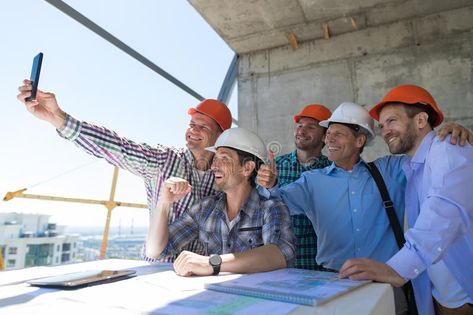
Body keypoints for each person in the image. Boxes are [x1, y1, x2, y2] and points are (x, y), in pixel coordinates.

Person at [17, 79, 232, 261]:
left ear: (221, 136)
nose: (193, 130)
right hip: (161, 269)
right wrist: (59, 118)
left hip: (205, 271)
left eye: (203, 127)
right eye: (192, 124)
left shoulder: (227, 175)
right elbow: (119, 148)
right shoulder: (164, 160)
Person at [339, 85, 473, 315]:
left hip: (464, 296)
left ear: (421, 120)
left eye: (392, 121)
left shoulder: (448, 149)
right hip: (441, 296)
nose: (385, 131)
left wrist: (397, 269)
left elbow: (443, 210)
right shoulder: (409, 166)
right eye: (382, 126)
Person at [145, 127, 296, 276]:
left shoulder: (271, 208)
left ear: (247, 168)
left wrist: (212, 263)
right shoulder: (204, 209)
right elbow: (155, 251)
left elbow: (281, 253)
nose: (214, 166)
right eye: (215, 158)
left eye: (224, 158)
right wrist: (164, 203)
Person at [257, 104, 332, 270]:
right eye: (299, 126)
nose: (302, 131)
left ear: (325, 136)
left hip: (320, 264)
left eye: (311, 127)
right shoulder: (274, 168)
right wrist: (268, 186)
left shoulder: (332, 171)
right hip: (279, 262)